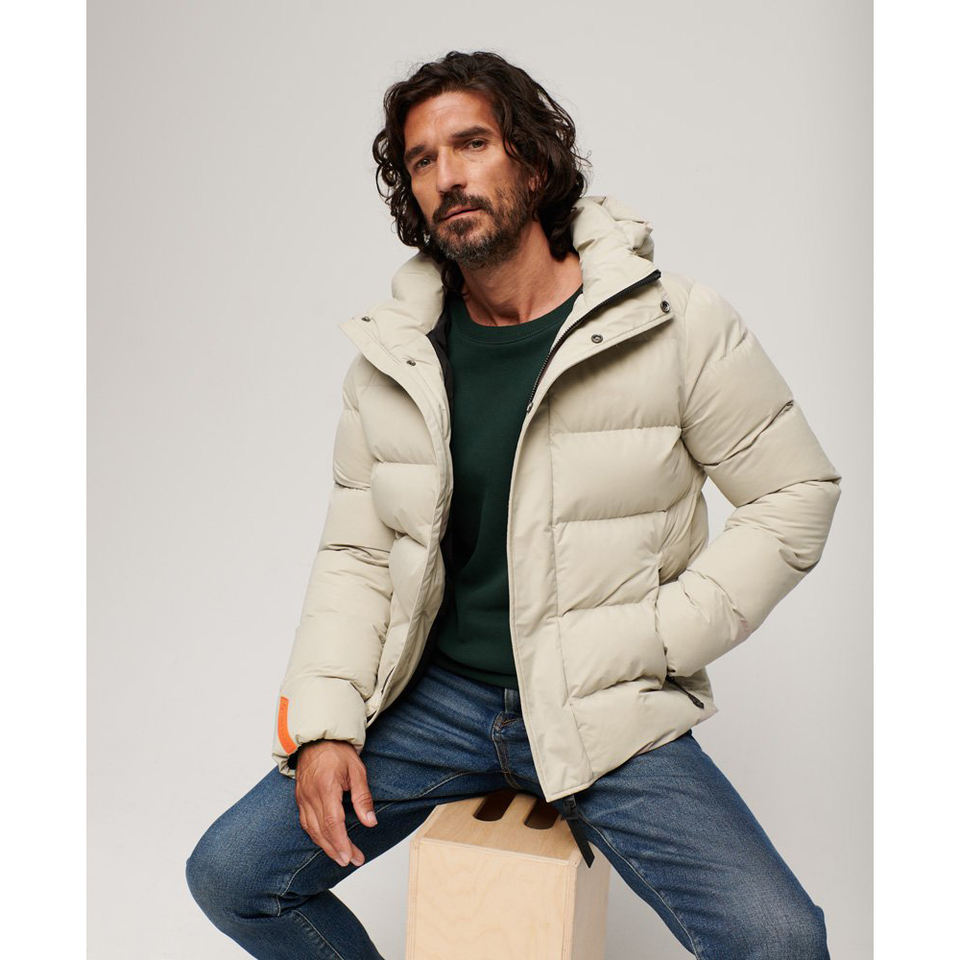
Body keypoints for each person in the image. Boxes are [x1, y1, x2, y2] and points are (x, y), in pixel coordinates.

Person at [186, 50, 841, 959]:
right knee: (231, 875)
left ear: (532, 163)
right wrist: (324, 729)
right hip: (439, 703)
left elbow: (796, 490)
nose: (447, 176)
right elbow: (357, 556)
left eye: (472, 144)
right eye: (422, 160)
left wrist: (658, 637)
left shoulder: (676, 324)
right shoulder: (394, 359)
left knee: (782, 940)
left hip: (602, 702)